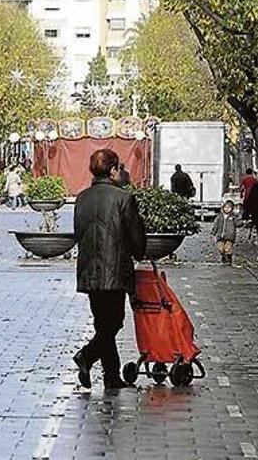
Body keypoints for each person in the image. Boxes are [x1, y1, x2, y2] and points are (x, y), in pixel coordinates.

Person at [72, 149, 146, 390]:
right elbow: (136, 237)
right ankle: (87, 356)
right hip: (115, 269)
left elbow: (78, 234)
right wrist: (139, 252)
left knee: (103, 323)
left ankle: (111, 377)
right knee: (113, 323)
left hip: (90, 269)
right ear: (113, 170)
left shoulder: (82, 198)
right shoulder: (123, 198)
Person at [211, 200, 242, 265]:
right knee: (220, 248)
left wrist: (242, 222)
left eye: (229, 207)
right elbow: (216, 225)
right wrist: (213, 233)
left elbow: (237, 224)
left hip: (230, 236)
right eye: (225, 207)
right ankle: (223, 256)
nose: (227, 209)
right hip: (220, 236)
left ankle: (228, 258)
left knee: (228, 248)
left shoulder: (233, 217)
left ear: (231, 209)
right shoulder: (219, 217)